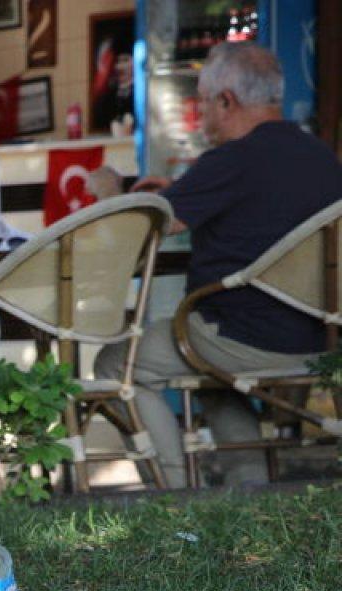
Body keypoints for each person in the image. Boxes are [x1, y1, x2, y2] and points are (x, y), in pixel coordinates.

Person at [95, 41, 342, 489]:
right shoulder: (323, 159)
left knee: (117, 363)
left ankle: (173, 494)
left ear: (227, 101)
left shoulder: (230, 160)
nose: (199, 115)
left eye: (203, 103)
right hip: (318, 339)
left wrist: (111, 192)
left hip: (237, 338)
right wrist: (187, 188)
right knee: (206, 362)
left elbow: (145, 226)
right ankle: (251, 488)